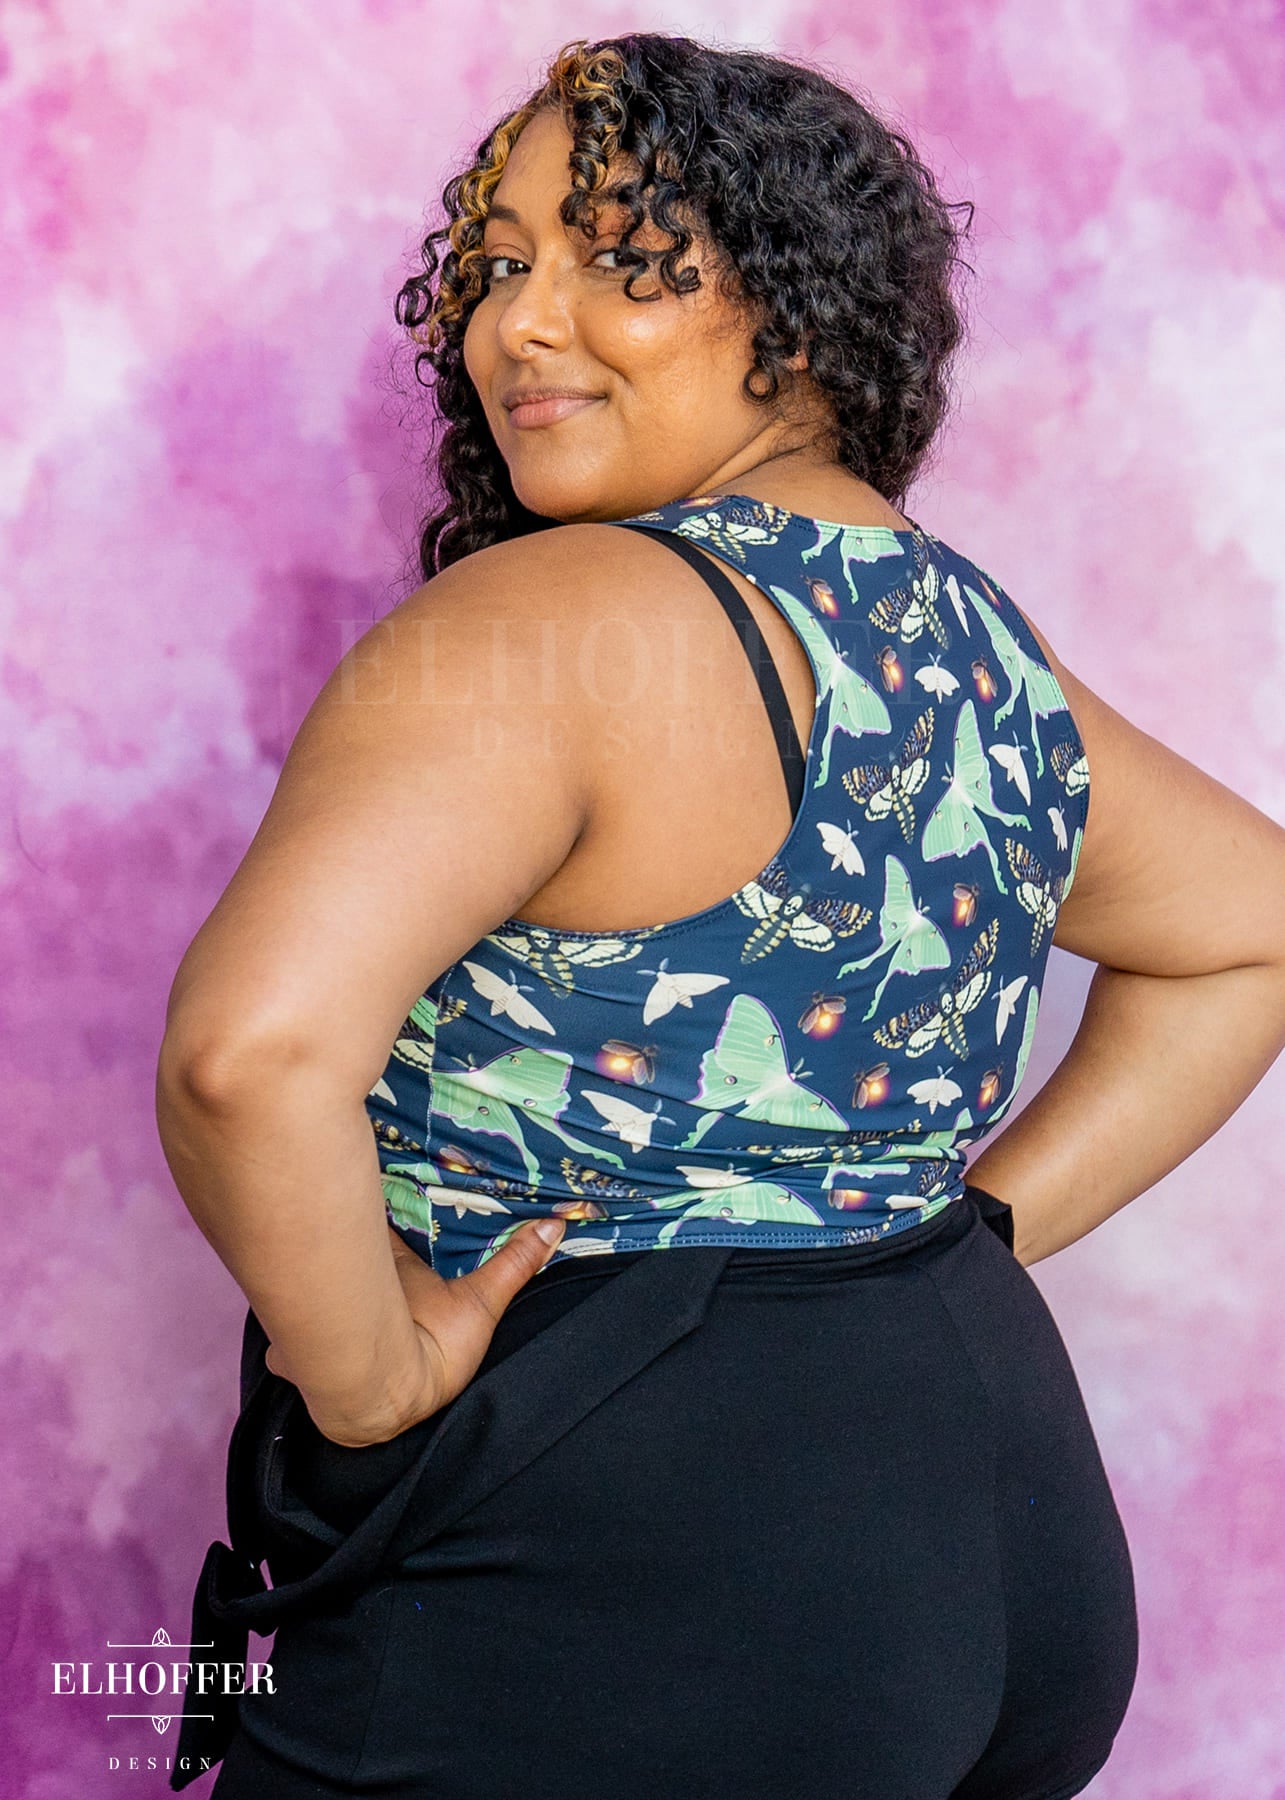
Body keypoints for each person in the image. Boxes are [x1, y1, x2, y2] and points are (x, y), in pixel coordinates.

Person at [156, 32, 1285, 1800]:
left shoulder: (544, 622)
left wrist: (366, 1378)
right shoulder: (962, 643)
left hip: (639, 1576)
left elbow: (246, 1058)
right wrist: (964, 1238)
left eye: (619, 257)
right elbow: (1251, 927)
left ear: (798, 306)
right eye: (497, 265)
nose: (518, 324)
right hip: (987, 1535)